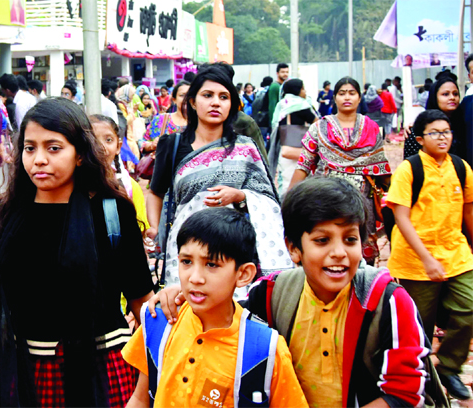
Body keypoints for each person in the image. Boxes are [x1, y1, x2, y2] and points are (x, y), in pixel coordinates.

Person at [151, 177, 433, 408]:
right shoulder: (274, 294)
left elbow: (405, 392)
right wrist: (181, 292)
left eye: (350, 239)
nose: (339, 253)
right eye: (322, 240)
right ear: (293, 248)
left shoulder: (386, 300)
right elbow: (228, 317)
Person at [0, 98, 155, 406]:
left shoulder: (112, 212)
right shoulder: (3, 213)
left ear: (80, 155)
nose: (39, 159)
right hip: (27, 370)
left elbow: (141, 299)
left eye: (53, 148)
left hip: (104, 366)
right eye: (30, 148)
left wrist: (147, 382)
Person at [122, 208, 308, 407]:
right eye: (186, 262)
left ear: (244, 274)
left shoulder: (265, 349)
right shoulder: (160, 322)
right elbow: (141, 398)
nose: (194, 277)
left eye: (211, 264)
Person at [147, 64, 292, 290]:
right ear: (193, 102)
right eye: (208, 95)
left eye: (224, 97)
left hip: (234, 246)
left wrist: (240, 195)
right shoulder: (172, 145)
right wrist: (154, 229)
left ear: (231, 104)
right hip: (187, 245)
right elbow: (155, 192)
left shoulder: (246, 147)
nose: (216, 102)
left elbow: (267, 196)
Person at [387, 109, 473, 401]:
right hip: (415, 260)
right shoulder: (410, 169)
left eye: (446, 132)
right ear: (421, 139)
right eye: (435, 133)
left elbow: (469, 210)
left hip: (456, 252)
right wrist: (426, 259)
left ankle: (449, 365)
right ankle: (421, 380)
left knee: (469, 307)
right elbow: (402, 218)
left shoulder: (461, 167)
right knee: (417, 326)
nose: (442, 138)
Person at [289, 77, 391, 265]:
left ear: (359, 98)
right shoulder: (319, 128)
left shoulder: (371, 128)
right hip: (324, 198)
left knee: (361, 251)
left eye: (352, 93)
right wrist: (289, 200)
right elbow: (304, 165)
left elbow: (380, 168)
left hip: (362, 200)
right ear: (334, 98)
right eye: (342, 93)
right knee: (326, 245)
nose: (347, 97)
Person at [90, 114, 149, 233]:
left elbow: (140, 230)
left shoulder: (129, 187)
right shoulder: (71, 185)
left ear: (118, 146)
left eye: (108, 140)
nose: (101, 147)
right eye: (93, 140)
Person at [268, 78, 318, 197]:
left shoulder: (282, 104)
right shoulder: (302, 105)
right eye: (303, 88)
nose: (304, 91)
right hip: (301, 149)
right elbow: (317, 124)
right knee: (301, 182)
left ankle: (284, 207)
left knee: (285, 181)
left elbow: (275, 125)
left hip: (284, 147)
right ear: (297, 90)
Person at [141, 81, 190, 156]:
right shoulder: (160, 119)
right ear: (174, 99)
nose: (186, 98)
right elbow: (143, 143)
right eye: (182, 95)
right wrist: (152, 146)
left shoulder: (202, 123)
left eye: (190, 95)